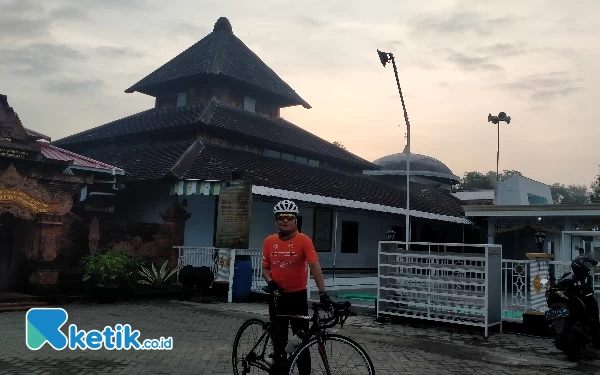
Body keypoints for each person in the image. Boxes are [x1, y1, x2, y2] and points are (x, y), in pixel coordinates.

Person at [262, 199, 331, 374]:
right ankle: (279, 369)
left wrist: (323, 293)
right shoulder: (269, 241)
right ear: (276, 221)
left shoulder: (304, 240)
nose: (285, 220)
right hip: (277, 297)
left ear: (296, 220)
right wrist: (270, 281)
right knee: (279, 341)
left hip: (297, 297)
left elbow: (315, 266)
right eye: (281, 217)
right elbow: (265, 268)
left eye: (289, 217)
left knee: (302, 342)